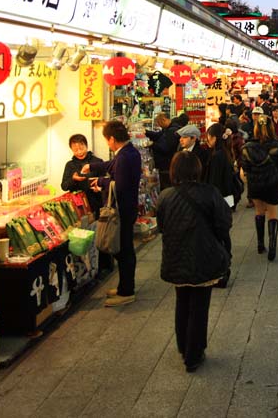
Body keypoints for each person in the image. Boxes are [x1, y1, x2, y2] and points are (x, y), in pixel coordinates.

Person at [156, 151, 232, 373]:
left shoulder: (165, 196)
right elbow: (224, 223)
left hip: (176, 255)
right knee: (200, 304)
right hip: (203, 255)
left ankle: (183, 346)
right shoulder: (209, 193)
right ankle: (193, 354)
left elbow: (162, 226)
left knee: (182, 300)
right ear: (197, 170)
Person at [83, 120, 142, 307]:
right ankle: (125, 286)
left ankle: (126, 291)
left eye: (107, 140)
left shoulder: (124, 156)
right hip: (128, 208)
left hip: (122, 210)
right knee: (124, 249)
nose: (107, 144)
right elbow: (112, 166)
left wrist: (100, 183)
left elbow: (121, 185)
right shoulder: (129, 151)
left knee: (123, 250)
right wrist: (93, 167)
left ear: (112, 139)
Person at [60, 135, 111, 272]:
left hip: (96, 203)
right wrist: (74, 179)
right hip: (79, 208)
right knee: (83, 235)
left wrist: (99, 187)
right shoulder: (70, 165)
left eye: (81, 147)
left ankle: (103, 266)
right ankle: (84, 267)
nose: (79, 151)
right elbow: (64, 186)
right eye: (75, 148)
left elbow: (106, 180)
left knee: (100, 234)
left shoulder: (96, 162)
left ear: (86, 146)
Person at [240, 115, 278, 260]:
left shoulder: (248, 147)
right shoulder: (277, 145)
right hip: (272, 183)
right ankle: (273, 247)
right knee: (272, 214)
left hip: (255, 184)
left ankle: (260, 244)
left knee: (259, 211)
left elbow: (245, 167)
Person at [203, 123, 239, 207]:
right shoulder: (226, 151)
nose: (207, 139)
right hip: (227, 195)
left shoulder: (217, 156)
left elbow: (214, 180)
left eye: (208, 136)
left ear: (214, 138)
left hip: (219, 198)